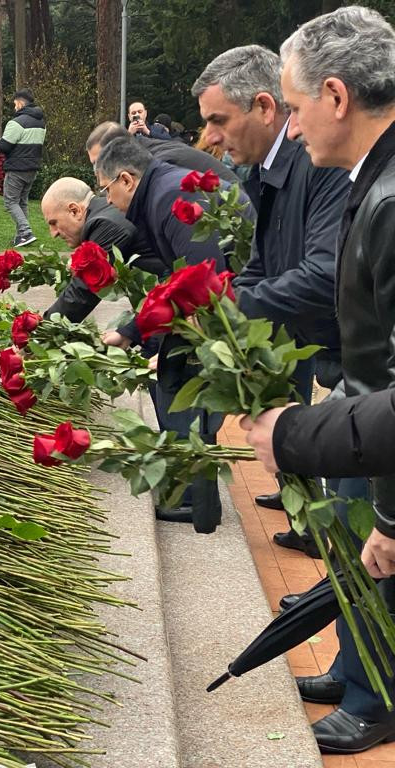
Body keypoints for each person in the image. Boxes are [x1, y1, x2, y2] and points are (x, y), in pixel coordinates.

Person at [241, 6, 395, 754]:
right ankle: (356, 669)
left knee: (379, 551)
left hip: (379, 424)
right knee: (359, 548)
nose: (293, 131)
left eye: (296, 109)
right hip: (365, 407)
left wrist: (297, 434)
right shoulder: (374, 178)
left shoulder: (391, 197)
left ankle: (378, 699)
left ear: (336, 97)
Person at [193, 43, 350, 557]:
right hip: (339, 366)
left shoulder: (320, 161)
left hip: (364, 373)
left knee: (358, 529)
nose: (210, 138)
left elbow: (325, 274)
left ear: (265, 107)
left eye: (219, 120)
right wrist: (217, 313)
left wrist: (230, 309)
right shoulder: (265, 170)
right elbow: (264, 265)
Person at [96, 137, 252, 528]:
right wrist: (131, 330)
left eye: (105, 188)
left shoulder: (167, 196)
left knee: (179, 381)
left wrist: (180, 338)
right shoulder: (161, 191)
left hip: (238, 299)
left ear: (126, 180)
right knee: (175, 377)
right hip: (226, 294)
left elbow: (202, 275)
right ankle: (195, 498)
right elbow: (175, 276)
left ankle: (196, 502)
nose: (108, 200)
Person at [41, 177, 158, 322]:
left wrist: (40, 332)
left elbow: (81, 293)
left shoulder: (105, 223)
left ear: (75, 211)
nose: (53, 234)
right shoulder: (106, 213)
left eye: (54, 223)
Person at [87, 121, 239, 184]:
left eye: (98, 163)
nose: (97, 172)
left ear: (117, 148)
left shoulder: (157, 164)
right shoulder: (149, 152)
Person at [0, 88, 46, 247]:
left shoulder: (16, 122)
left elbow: (3, 146)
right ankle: (22, 237)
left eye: (14, 104)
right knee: (22, 202)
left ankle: (25, 231)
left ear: (20, 103)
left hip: (17, 168)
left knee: (10, 202)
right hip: (32, 168)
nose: (14, 107)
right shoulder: (41, 122)